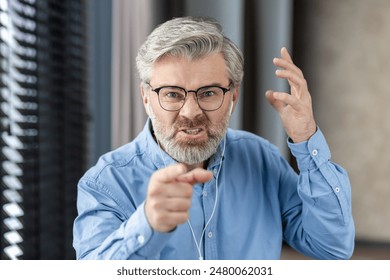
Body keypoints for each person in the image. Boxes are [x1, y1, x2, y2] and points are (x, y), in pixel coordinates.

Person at [73, 16, 355, 260]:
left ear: (233, 96)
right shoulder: (105, 184)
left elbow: (332, 248)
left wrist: (307, 139)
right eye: (172, 93)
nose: (191, 112)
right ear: (146, 98)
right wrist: (146, 224)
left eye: (208, 93)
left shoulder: (263, 160)